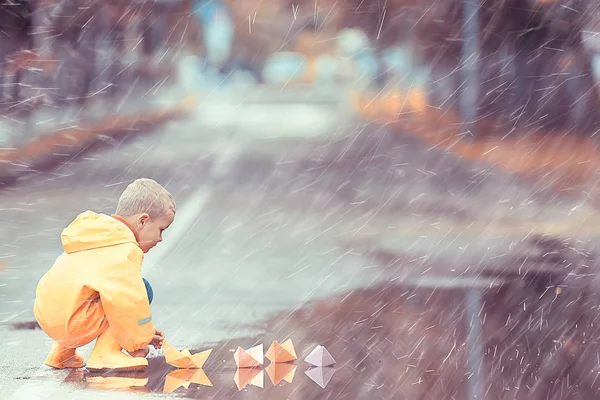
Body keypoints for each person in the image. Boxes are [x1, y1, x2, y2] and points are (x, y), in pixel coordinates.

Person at [33, 178, 176, 371]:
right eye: (161, 230)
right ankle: (106, 354)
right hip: (75, 322)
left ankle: (62, 353)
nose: (160, 239)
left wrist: (145, 331)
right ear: (142, 221)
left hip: (47, 315)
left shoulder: (96, 235)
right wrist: (139, 339)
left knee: (87, 290)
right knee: (141, 289)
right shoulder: (125, 249)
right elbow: (127, 299)